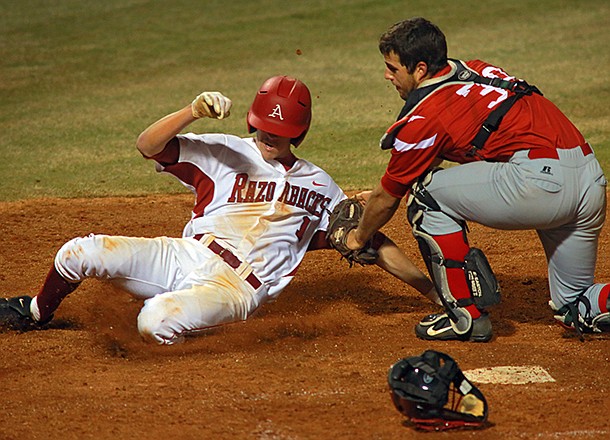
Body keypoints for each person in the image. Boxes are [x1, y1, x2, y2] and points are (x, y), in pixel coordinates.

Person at [0, 75, 436, 344]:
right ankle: (37, 312)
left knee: (154, 322)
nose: (269, 138)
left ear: (297, 135)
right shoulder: (223, 151)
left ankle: (200, 326)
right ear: (252, 122)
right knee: (80, 253)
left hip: (237, 288)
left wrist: (432, 292)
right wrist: (191, 111)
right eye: (265, 128)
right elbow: (147, 146)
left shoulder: (321, 186)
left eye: (279, 133)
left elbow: (370, 241)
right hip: (186, 254)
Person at [345, 17, 610, 342]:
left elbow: (388, 199)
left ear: (420, 70)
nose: (386, 75)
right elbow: (449, 139)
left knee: (426, 195)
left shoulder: (423, 119)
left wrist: (358, 238)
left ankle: (464, 317)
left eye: (392, 68)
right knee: (575, 306)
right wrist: (382, 191)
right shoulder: (480, 70)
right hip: (591, 181)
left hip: (540, 184)